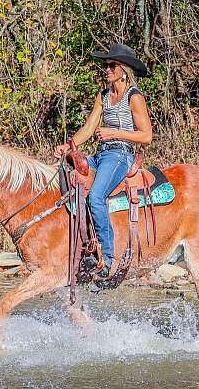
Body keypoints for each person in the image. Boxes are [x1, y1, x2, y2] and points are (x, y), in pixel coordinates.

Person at [54, 43, 153, 278]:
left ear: (124, 69)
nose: (106, 69)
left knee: (97, 196)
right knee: (69, 181)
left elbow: (146, 136)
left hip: (121, 155)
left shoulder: (134, 97)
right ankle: (81, 245)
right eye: (105, 65)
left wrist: (114, 133)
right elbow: (88, 128)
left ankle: (108, 258)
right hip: (100, 155)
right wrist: (69, 147)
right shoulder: (104, 96)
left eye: (111, 65)